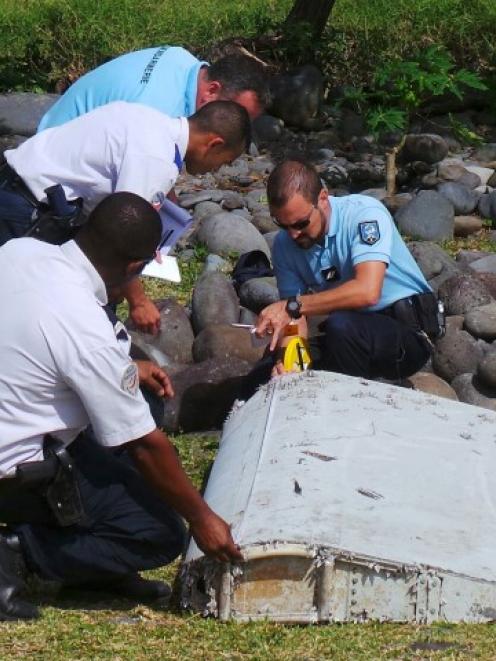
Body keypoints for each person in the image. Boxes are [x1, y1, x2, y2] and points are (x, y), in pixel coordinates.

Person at [0, 191, 242, 622]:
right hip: (13, 471)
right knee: (157, 532)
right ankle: (18, 551)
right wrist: (202, 518)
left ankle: (93, 566)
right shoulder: (84, 325)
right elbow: (144, 447)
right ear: (135, 266)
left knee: (138, 405)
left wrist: (125, 365)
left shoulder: (21, 251)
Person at [0, 99, 251, 333]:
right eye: (225, 161)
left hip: (14, 181)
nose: (218, 169)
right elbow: (122, 236)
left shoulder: (148, 118)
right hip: (28, 209)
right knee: (20, 304)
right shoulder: (157, 159)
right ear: (214, 144)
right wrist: (138, 301)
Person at [245, 160, 439, 393]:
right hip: (349, 333)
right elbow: (295, 321)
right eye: (282, 224)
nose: (293, 234)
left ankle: (354, 405)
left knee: (342, 326)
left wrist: (293, 306)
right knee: (264, 375)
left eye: (301, 223)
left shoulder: (364, 215)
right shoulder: (285, 245)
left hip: (406, 334)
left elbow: (367, 292)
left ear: (323, 199)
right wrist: (288, 361)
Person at [38, 46, 269, 131]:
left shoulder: (181, 58)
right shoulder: (158, 113)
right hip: (50, 174)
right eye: (239, 116)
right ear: (212, 90)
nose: (238, 130)